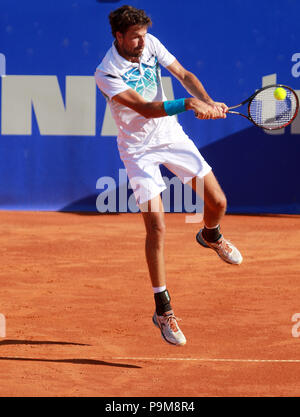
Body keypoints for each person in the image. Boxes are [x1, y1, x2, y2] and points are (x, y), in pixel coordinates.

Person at [95, 5, 243, 347]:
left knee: (218, 202)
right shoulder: (106, 72)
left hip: (171, 137)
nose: (142, 41)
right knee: (157, 226)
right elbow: (145, 109)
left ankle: (211, 235)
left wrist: (207, 100)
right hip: (138, 150)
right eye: (135, 36)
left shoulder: (151, 44)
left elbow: (184, 74)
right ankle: (163, 310)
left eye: (144, 34)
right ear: (119, 37)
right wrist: (191, 105)